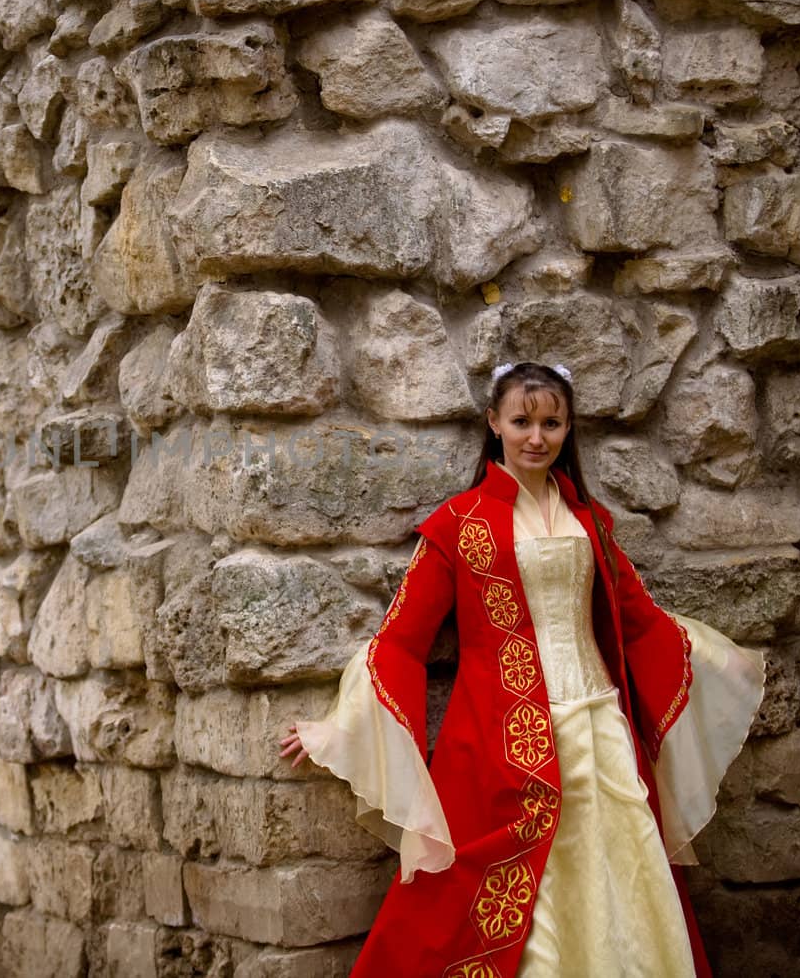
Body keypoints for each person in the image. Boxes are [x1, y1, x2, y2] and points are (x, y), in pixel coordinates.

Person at [279, 360, 764, 977]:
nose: (537, 437)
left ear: (567, 429)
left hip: (601, 731)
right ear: (494, 423)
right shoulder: (459, 525)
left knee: (620, 869)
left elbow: (638, 620)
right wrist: (337, 727)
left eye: (552, 423)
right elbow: (402, 640)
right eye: (522, 421)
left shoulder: (592, 520)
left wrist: (727, 668)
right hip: (499, 739)